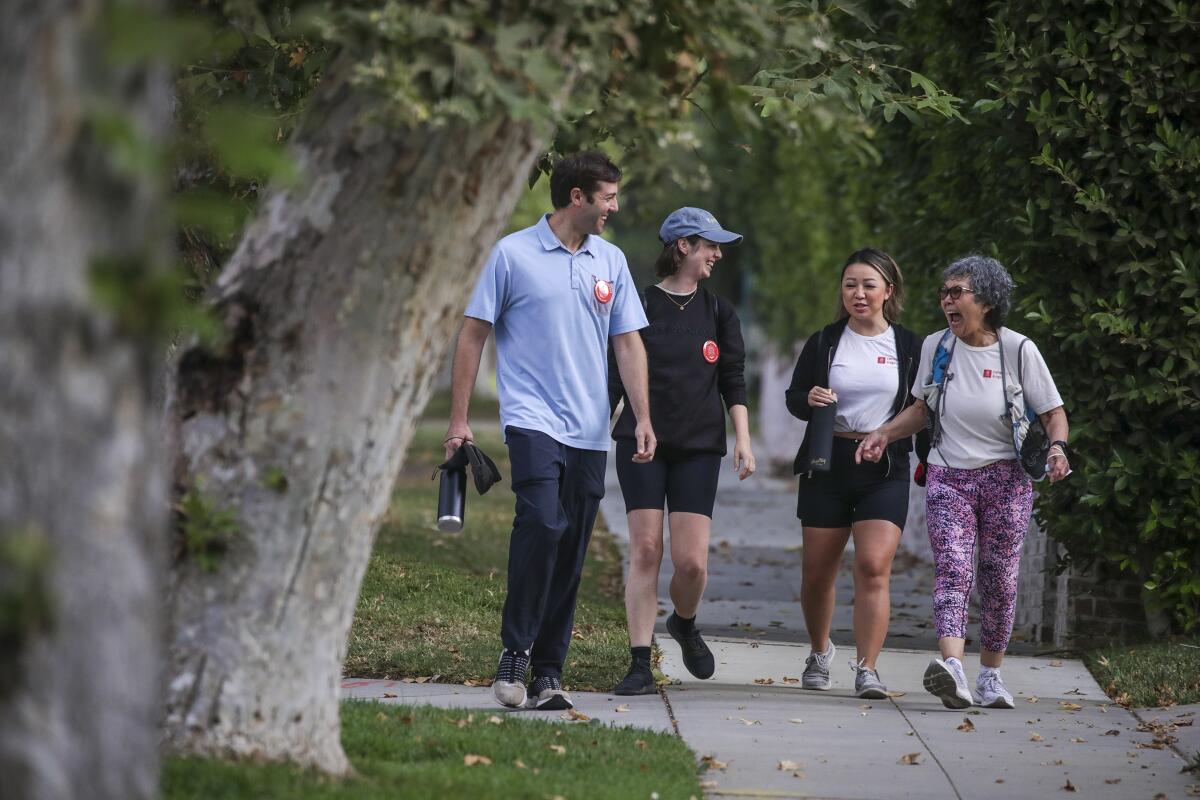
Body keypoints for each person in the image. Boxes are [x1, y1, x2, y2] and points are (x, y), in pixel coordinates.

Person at [445, 152, 656, 711]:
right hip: (531, 419)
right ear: (577, 197)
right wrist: (459, 421)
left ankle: (546, 672)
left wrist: (642, 418)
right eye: (608, 196)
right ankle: (514, 651)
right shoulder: (512, 254)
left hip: (590, 429)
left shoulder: (610, 260)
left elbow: (628, 342)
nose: (614, 206)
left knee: (571, 547)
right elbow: (472, 335)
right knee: (541, 521)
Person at [857, 254, 1070, 709]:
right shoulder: (938, 347)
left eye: (957, 293)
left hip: (1007, 478)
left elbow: (1053, 413)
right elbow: (921, 409)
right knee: (953, 570)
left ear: (988, 301)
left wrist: (1057, 448)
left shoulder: (1018, 350)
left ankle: (990, 676)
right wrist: (882, 433)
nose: (947, 301)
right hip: (947, 474)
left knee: (1000, 578)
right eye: (944, 293)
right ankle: (952, 667)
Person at [608, 208, 755, 696]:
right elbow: (616, 378)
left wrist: (744, 441)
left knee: (692, 564)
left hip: (698, 447)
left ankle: (685, 623)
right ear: (682, 246)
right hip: (641, 444)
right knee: (646, 549)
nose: (718, 253)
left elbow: (733, 379)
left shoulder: (719, 312)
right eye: (710, 245)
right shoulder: (638, 304)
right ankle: (639, 662)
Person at [784, 248, 926, 699]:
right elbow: (793, 396)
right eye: (850, 285)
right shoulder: (825, 341)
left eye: (869, 285)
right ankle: (819, 650)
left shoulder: (910, 347)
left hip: (884, 465)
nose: (859, 294)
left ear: (889, 290)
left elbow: (923, 407)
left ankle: (868, 668)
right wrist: (809, 399)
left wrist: (889, 435)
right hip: (828, 463)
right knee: (818, 572)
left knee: (872, 567)